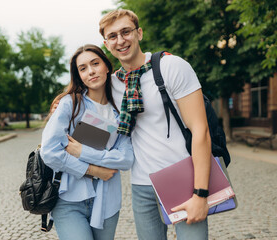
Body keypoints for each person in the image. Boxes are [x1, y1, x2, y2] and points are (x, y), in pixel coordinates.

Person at [98, 9, 211, 239]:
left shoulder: (171, 67)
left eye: (126, 31)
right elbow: (104, 131)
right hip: (142, 186)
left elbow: (201, 130)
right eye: (113, 36)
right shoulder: (112, 84)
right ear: (106, 44)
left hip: (184, 178)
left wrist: (200, 193)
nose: (120, 40)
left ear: (139, 33)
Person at [40, 44, 134, 240]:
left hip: (107, 202)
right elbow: (49, 152)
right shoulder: (70, 104)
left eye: (95, 64)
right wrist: (94, 170)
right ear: (79, 75)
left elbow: (125, 159)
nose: (91, 71)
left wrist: (81, 151)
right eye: (83, 68)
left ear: (107, 67)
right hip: (68, 201)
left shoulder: (121, 113)